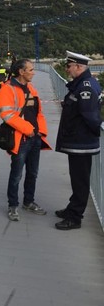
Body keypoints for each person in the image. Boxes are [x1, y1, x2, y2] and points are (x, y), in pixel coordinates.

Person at [0, 58, 51, 221]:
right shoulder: (7, 89)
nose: (34, 72)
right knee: (16, 174)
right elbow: (7, 115)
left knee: (33, 173)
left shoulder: (31, 88)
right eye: (31, 69)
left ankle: (29, 202)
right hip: (20, 139)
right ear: (21, 72)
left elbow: (38, 113)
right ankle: (12, 205)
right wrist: (29, 130)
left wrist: (40, 132)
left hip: (34, 138)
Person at [55, 51, 102, 230]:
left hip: (82, 142)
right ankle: (72, 208)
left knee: (80, 181)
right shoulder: (81, 84)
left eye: (69, 66)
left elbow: (91, 117)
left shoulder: (86, 88)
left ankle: (75, 218)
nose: (67, 69)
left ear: (79, 67)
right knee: (77, 179)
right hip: (77, 141)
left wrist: (95, 133)